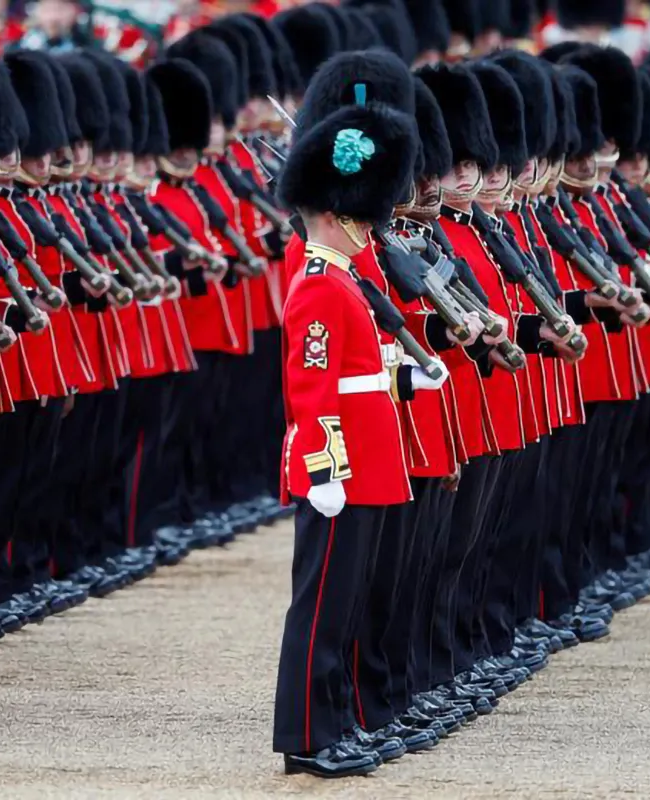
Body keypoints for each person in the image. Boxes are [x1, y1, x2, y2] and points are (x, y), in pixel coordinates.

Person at [271, 93, 426, 778]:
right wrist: (325, 470)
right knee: (323, 610)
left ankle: (336, 723)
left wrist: (404, 381)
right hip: (342, 468)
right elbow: (311, 391)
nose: (373, 227)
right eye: (363, 215)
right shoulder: (319, 287)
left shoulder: (344, 283)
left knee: (349, 604)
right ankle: (307, 735)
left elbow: (359, 375)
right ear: (335, 215)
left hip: (367, 458)